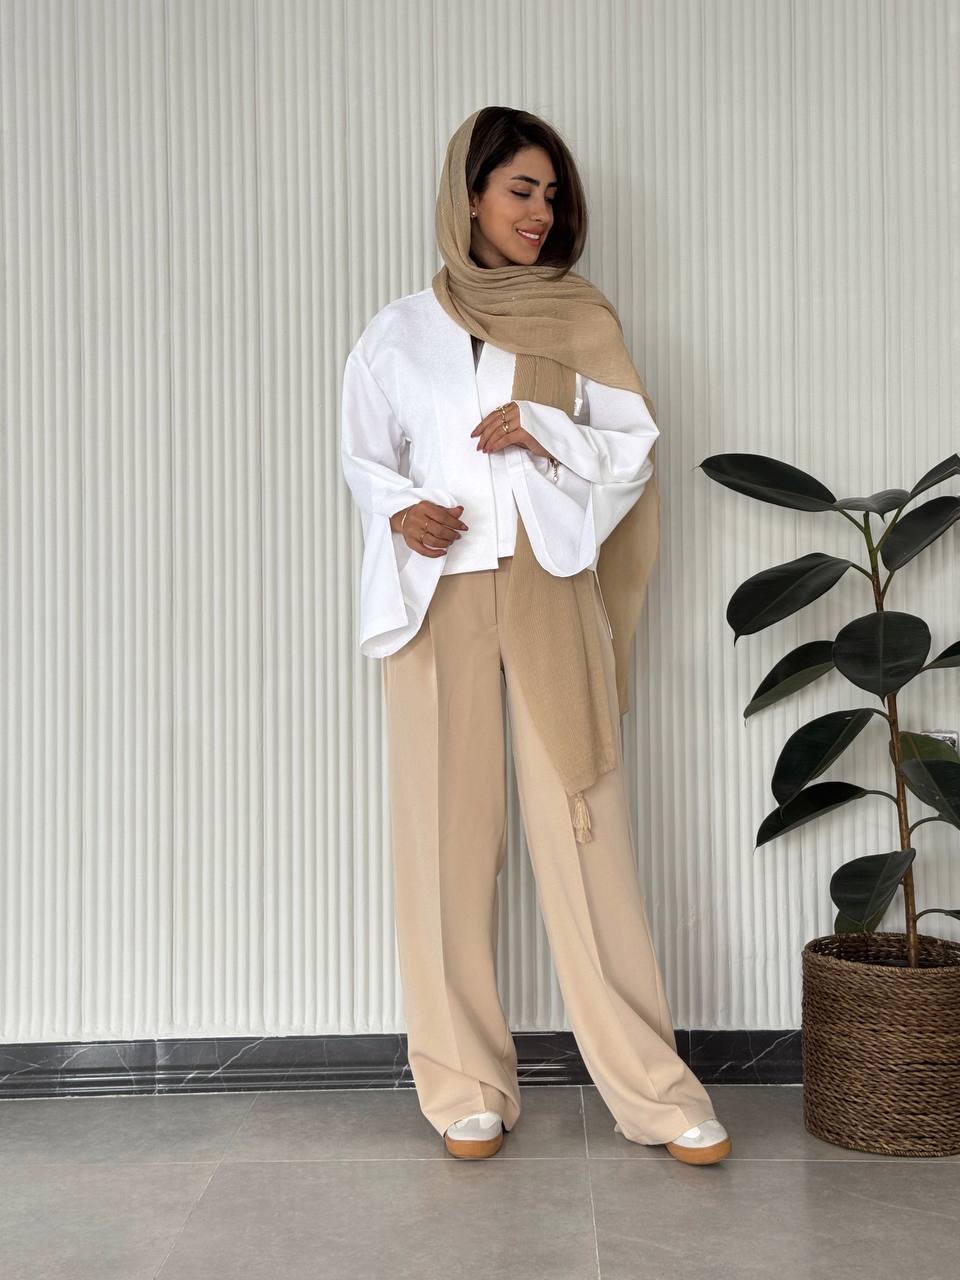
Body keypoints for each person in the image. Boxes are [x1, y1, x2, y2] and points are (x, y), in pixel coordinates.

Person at [340, 106, 731, 1166]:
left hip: (549, 587)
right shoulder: (397, 332)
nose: (540, 213)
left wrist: (542, 426)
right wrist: (400, 511)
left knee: (583, 828)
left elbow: (633, 448)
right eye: (520, 190)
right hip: (440, 599)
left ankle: (655, 1091)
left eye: (551, 195)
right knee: (445, 839)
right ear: (468, 195)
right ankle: (463, 1082)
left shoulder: (577, 315)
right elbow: (366, 455)